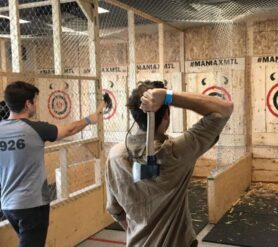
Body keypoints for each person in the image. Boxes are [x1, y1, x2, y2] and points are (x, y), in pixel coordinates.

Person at [105, 80, 233, 247]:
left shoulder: (115, 156)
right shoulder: (175, 152)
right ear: (166, 115)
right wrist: (168, 97)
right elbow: (224, 109)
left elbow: (115, 209)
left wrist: (143, 232)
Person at [0, 81, 105, 247]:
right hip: (32, 204)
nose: (36, 105)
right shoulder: (36, 128)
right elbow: (70, 129)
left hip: (7, 205)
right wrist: (88, 119)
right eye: (35, 100)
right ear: (28, 104)